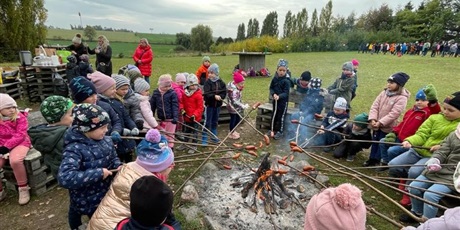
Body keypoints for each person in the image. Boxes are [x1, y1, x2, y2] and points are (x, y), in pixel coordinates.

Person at [88, 129, 180, 230]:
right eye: (170, 164)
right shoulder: (149, 191)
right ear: (158, 169)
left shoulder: (129, 167)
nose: (174, 165)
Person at [389, 92, 460, 208]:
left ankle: (409, 191)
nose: (445, 112)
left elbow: (451, 145)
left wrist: (440, 147)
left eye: (451, 110)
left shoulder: (458, 128)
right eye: (444, 108)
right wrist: (410, 141)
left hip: (432, 157)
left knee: (414, 171)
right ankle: (405, 181)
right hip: (417, 151)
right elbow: (422, 134)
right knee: (394, 164)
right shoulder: (434, 118)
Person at [58, 103, 122, 230]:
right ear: (86, 128)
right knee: (81, 217)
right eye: (102, 127)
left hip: (105, 195)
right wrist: (98, 173)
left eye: (106, 126)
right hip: (85, 199)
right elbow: (64, 177)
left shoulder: (106, 140)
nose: (106, 130)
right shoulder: (74, 148)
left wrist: (118, 166)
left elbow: (113, 157)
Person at [399, 122, 460, 223]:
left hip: (454, 177)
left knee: (431, 195)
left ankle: (426, 223)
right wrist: (436, 159)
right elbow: (443, 150)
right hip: (438, 168)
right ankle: (416, 213)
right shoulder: (455, 134)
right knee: (414, 187)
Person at [377, 86, 440, 171]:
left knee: (392, 151)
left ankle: (394, 167)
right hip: (400, 138)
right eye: (417, 100)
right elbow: (402, 123)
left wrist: (433, 102)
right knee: (383, 141)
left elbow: (436, 111)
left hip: (411, 142)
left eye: (423, 100)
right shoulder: (411, 111)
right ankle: (386, 161)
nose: (419, 102)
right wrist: (394, 132)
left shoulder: (428, 113)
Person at [363, 72, 410, 167]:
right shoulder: (383, 93)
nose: (388, 84)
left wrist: (381, 122)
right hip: (376, 123)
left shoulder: (402, 98)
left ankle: (378, 159)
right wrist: (373, 119)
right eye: (388, 82)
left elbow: (394, 113)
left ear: (399, 85)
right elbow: (375, 106)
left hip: (387, 126)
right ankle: (371, 158)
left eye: (392, 83)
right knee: (375, 141)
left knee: (382, 142)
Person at [90, 72, 139, 163]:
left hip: (126, 139)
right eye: (112, 89)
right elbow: (107, 125)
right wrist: (120, 130)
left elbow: (126, 117)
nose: (115, 91)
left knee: (129, 161)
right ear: (102, 90)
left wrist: (133, 126)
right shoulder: (101, 106)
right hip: (116, 141)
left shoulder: (117, 101)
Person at [28, 96, 74, 178]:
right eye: (71, 115)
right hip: (72, 174)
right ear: (59, 117)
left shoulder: (46, 133)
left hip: (59, 173)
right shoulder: (64, 136)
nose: (74, 117)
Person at [68, 76, 123, 144]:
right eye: (90, 96)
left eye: (95, 94)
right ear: (80, 98)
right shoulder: (74, 113)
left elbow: (116, 121)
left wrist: (116, 131)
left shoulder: (105, 106)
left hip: (109, 143)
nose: (95, 98)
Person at [0, 94, 32, 205]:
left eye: (13, 107)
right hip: (3, 146)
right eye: (8, 108)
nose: (12, 110)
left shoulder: (20, 117)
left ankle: (23, 188)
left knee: (15, 160)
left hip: (21, 142)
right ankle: (1, 191)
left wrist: (6, 147)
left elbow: (21, 134)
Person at [176, 74, 204, 154]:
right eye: (192, 85)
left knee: (195, 132)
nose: (194, 87)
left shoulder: (198, 95)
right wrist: (182, 109)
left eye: (195, 85)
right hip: (186, 117)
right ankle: (185, 143)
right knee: (186, 131)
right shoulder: (185, 94)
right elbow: (181, 103)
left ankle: (194, 145)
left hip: (195, 118)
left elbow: (200, 107)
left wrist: (194, 115)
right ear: (188, 85)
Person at [150, 74, 179, 149]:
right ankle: (163, 148)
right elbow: (152, 105)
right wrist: (151, 116)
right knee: (162, 134)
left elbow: (175, 106)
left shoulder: (172, 93)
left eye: (169, 86)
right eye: (165, 86)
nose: (168, 88)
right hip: (161, 118)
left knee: (170, 134)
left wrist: (175, 117)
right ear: (160, 85)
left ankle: (170, 149)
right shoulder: (156, 93)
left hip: (171, 119)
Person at [202, 63, 226, 144]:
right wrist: (214, 96)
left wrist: (221, 97)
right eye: (209, 73)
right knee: (207, 121)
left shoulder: (221, 82)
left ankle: (213, 136)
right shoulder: (207, 83)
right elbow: (207, 93)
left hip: (217, 106)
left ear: (216, 73)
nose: (209, 75)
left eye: (212, 73)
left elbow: (224, 92)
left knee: (215, 121)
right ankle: (204, 137)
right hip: (209, 105)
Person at [268, 59, 291, 140]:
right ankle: (272, 129)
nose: (281, 72)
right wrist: (273, 94)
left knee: (281, 117)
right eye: (280, 70)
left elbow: (286, 93)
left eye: (283, 70)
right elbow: (271, 88)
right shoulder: (275, 79)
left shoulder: (286, 81)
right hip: (275, 101)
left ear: (286, 71)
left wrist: (279, 96)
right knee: (274, 114)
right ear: (277, 70)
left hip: (283, 103)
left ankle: (280, 131)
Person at [227, 71, 248, 139]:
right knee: (233, 119)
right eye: (241, 83)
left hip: (236, 107)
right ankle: (231, 132)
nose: (242, 85)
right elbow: (234, 101)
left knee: (237, 119)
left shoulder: (237, 88)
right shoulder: (234, 90)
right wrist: (242, 105)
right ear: (236, 83)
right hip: (232, 107)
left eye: (243, 83)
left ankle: (233, 130)